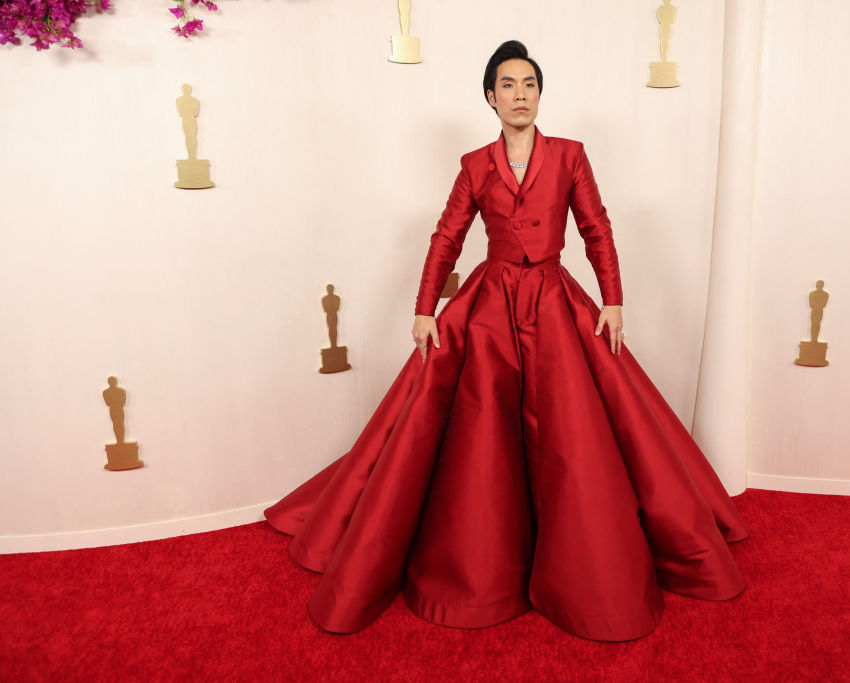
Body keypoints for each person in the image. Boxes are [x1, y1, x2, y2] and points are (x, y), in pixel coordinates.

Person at [265, 40, 747, 642]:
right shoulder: (473, 165)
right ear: (490, 98)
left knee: (575, 428)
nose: (520, 96)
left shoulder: (570, 155)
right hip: (491, 306)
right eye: (508, 86)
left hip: (553, 297)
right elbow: (447, 236)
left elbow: (596, 227)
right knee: (478, 425)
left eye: (529, 85)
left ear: (540, 95)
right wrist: (424, 310)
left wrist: (614, 300)